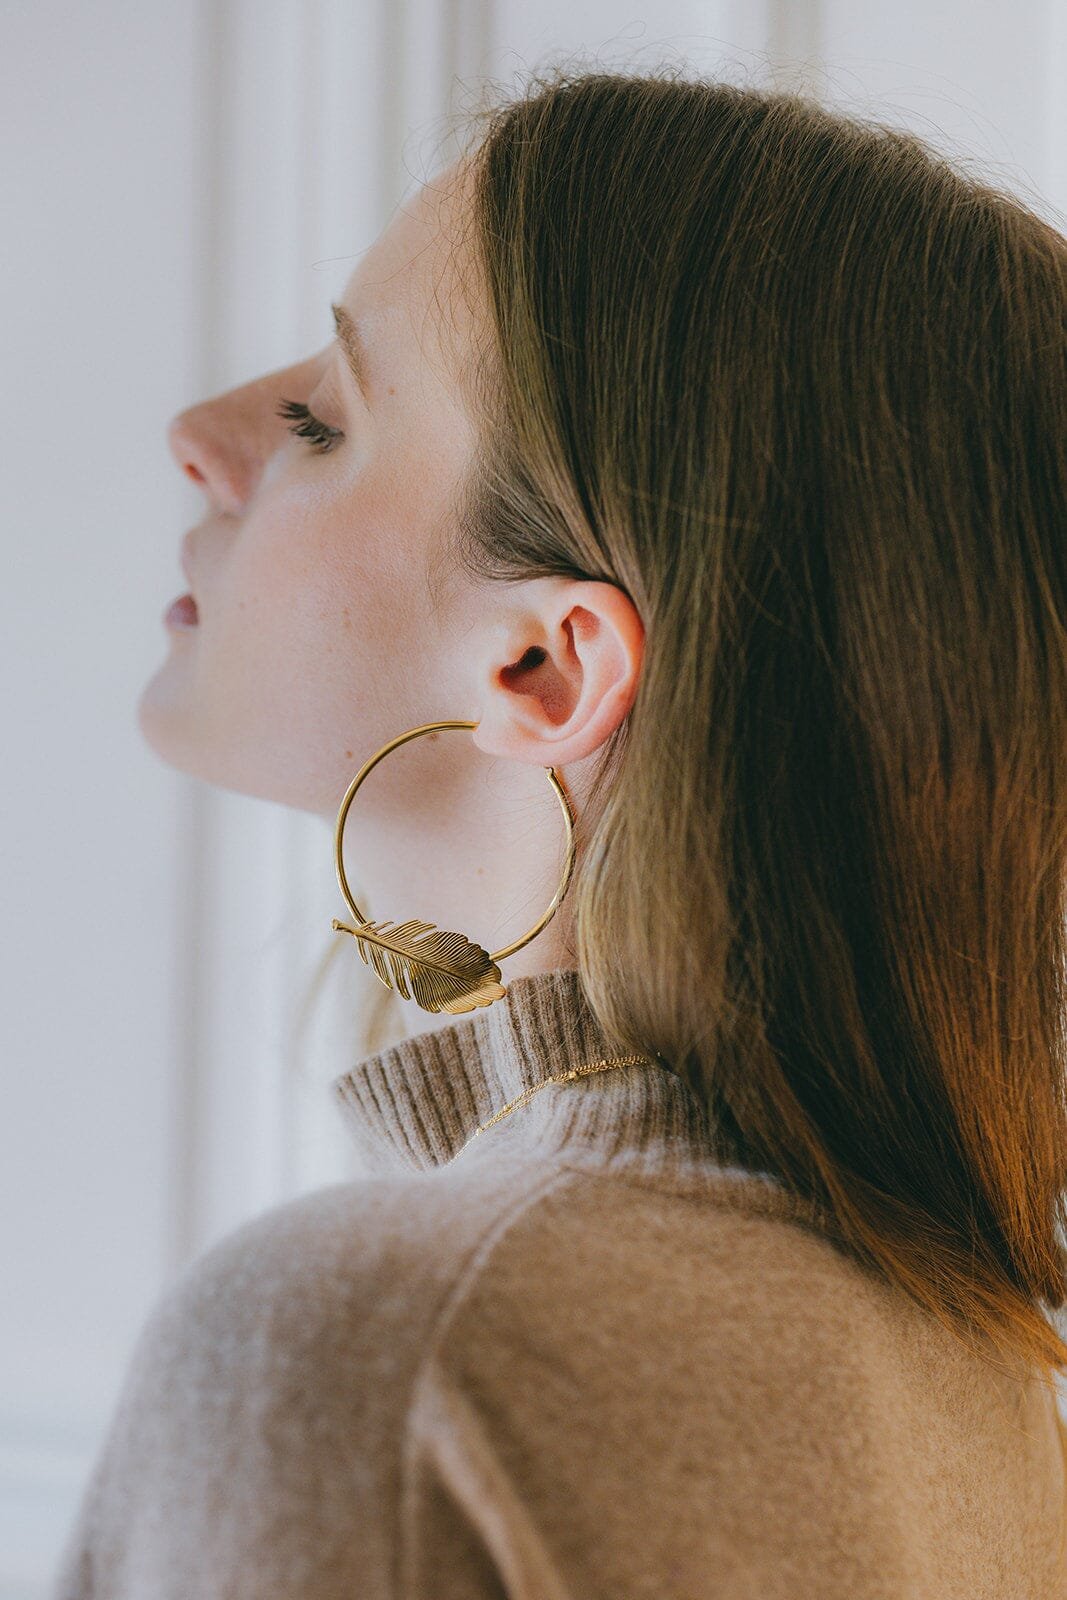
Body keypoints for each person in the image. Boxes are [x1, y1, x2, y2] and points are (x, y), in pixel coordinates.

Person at [52, 64, 1067, 1598]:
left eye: (323, 421)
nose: (202, 436)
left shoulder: (390, 1354)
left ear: (547, 667)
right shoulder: (974, 1363)